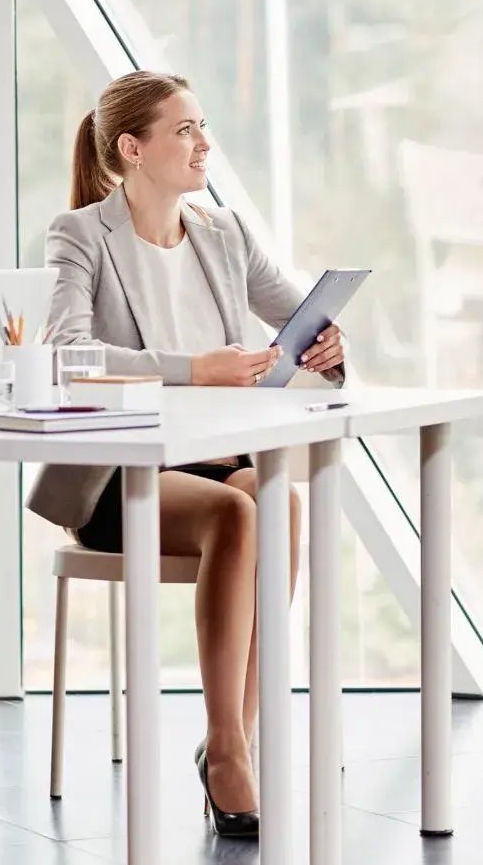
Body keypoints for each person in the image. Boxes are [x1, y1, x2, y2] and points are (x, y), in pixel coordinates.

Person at [26, 70, 347, 838]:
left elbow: (295, 317)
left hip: (208, 453)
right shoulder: (79, 234)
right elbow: (67, 353)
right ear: (132, 149)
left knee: (281, 500)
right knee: (237, 514)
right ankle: (231, 750)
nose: (204, 143)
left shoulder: (223, 232)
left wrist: (328, 344)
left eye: (203, 126)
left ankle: (230, 734)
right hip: (115, 475)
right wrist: (192, 367)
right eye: (185, 130)